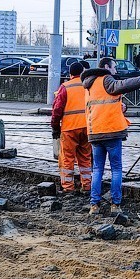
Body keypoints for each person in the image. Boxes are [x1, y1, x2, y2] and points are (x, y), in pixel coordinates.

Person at [82, 57, 140, 216]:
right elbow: (123, 85)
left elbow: (100, 105)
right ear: (106, 67)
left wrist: (120, 107)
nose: (116, 71)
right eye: (114, 67)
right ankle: (115, 204)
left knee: (97, 169)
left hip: (95, 132)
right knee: (116, 169)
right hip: (111, 132)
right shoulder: (107, 79)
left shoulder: (89, 84)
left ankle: (94, 205)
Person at [51, 62, 92, 194]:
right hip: (87, 127)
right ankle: (87, 186)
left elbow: (57, 110)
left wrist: (55, 127)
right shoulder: (88, 86)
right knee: (85, 158)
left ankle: (68, 187)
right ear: (82, 72)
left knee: (67, 159)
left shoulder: (65, 87)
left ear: (70, 74)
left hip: (70, 128)